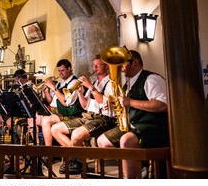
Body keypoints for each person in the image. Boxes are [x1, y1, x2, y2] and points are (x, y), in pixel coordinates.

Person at [96, 50, 169, 178]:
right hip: (133, 126)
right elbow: (125, 106)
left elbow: (162, 105)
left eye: (123, 64)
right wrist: (113, 105)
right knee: (102, 141)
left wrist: (131, 102)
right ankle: (137, 167)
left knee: (126, 140)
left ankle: (131, 179)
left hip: (154, 126)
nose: (120, 68)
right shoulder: (127, 84)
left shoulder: (151, 79)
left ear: (135, 63)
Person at [50, 55, 115, 174]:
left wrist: (90, 86)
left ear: (106, 66)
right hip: (88, 116)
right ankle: (78, 158)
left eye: (98, 65)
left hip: (103, 118)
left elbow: (103, 102)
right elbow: (85, 105)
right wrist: (80, 93)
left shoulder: (111, 83)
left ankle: (76, 160)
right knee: (55, 129)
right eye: (94, 65)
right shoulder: (95, 82)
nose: (95, 67)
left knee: (76, 134)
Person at [40, 59, 85, 147]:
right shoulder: (60, 84)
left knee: (45, 120)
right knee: (37, 118)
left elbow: (65, 102)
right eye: (59, 71)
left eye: (62, 70)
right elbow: (51, 101)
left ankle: (49, 151)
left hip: (70, 114)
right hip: (56, 112)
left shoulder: (74, 83)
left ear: (69, 69)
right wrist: (46, 92)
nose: (60, 73)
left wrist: (54, 88)